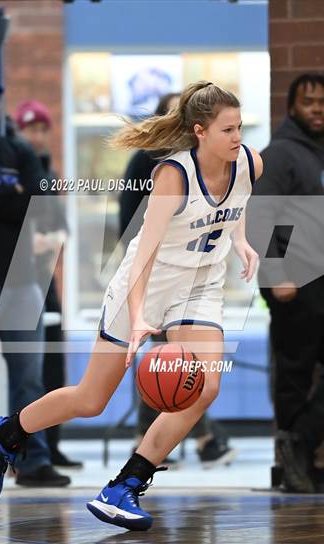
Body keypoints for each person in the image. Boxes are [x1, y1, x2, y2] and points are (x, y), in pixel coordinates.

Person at [0, 80, 262, 531]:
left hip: (200, 285)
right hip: (146, 283)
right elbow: (143, 251)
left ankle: (124, 486)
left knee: (204, 386)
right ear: (200, 131)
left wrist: (241, 241)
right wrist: (141, 316)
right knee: (91, 399)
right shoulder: (173, 174)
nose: (238, 137)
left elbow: (240, 196)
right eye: (228, 130)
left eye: (240, 127)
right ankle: (6, 433)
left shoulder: (247, 161)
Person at [248, 74, 324, 493]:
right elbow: (258, 217)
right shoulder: (279, 156)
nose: (317, 108)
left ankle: (299, 446)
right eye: (308, 101)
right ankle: (296, 470)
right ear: (293, 108)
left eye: (323, 102)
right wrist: (275, 273)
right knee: (295, 375)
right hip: (297, 281)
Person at [0, 72, 70, 488]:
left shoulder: (18, 151)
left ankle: (34, 460)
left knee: (29, 378)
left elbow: (37, 208)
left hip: (22, 282)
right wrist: (6, 197)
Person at [120, 92, 235, 468]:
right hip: (154, 276)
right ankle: (169, 439)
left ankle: (197, 440)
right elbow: (130, 224)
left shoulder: (208, 164)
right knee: (161, 364)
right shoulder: (148, 163)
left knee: (187, 366)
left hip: (192, 279)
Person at [15, 100, 82, 469]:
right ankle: (24, 446)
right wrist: (32, 240)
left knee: (54, 364)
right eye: (31, 129)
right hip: (16, 280)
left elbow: (60, 229)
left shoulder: (48, 173)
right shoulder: (15, 169)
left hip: (44, 282)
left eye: (42, 129)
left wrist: (51, 238)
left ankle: (50, 444)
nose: (37, 136)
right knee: (28, 368)